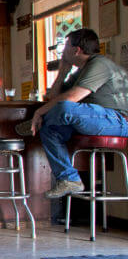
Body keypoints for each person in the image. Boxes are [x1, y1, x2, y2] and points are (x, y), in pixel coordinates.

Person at [16, 28, 128, 198]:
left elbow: (71, 98)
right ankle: (69, 179)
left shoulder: (100, 64)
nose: (62, 50)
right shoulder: (80, 71)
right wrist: (62, 72)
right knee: (48, 128)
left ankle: (38, 120)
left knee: (64, 108)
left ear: (77, 50)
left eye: (66, 46)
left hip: (118, 121)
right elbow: (53, 97)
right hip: (95, 119)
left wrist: (39, 113)